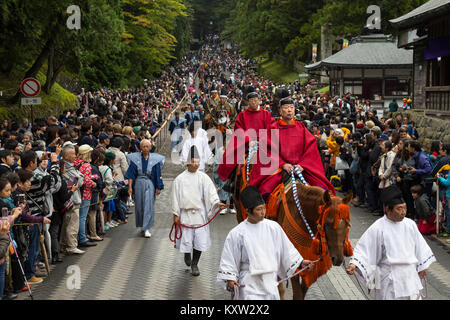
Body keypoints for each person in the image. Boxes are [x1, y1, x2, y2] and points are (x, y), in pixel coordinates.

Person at [217, 186, 314, 300]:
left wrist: (300, 262)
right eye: (259, 209)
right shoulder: (237, 233)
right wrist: (230, 278)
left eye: (264, 208)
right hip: (249, 284)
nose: (263, 212)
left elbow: (286, 249)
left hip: (270, 283)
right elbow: (229, 258)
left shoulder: (274, 227)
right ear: (248, 211)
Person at [346, 185, 436, 300]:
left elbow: (420, 247)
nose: (403, 212)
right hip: (388, 280)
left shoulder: (410, 224)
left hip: (410, 276)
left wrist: (422, 266)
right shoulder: (378, 227)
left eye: (405, 208)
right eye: (399, 208)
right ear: (388, 209)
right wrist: (355, 264)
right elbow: (365, 250)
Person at [249, 97, 335, 200]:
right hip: (279, 169)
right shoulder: (273, 128)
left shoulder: (301, 127)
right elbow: (267, 150)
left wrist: (302, 165)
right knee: (265, 191)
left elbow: (311, 148)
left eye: (291, 107)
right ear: (280, 111)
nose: (289, 110)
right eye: (286, 107)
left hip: (301, 168)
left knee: (323, 191)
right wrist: (283, 164)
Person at [171, 145, 227, 276]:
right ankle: (186, 254)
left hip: (200, 214)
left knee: (199, 240)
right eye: (193, 162)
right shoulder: (179, 179)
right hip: (185, 214)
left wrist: (217, 203)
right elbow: (175, 197)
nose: (196, 164)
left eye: (198, 162)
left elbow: (211, 192)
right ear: (188, 162)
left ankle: (195, 263)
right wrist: (175, 214)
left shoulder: (203, 177)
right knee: (187, 239)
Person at [125, 139, 164, 238]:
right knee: (139, 205)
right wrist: (130, 187)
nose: (145, 148)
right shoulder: (135, 159)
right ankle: (142, 225)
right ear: (140, 148)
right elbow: (131, 174)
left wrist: (158, 186)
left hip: (149, 182)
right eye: (143, 146)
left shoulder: (155, 159)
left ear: (150, 148)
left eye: (147, 146)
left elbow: (158, 173)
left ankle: (147, 227)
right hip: (138, 182)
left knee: (148, 204)